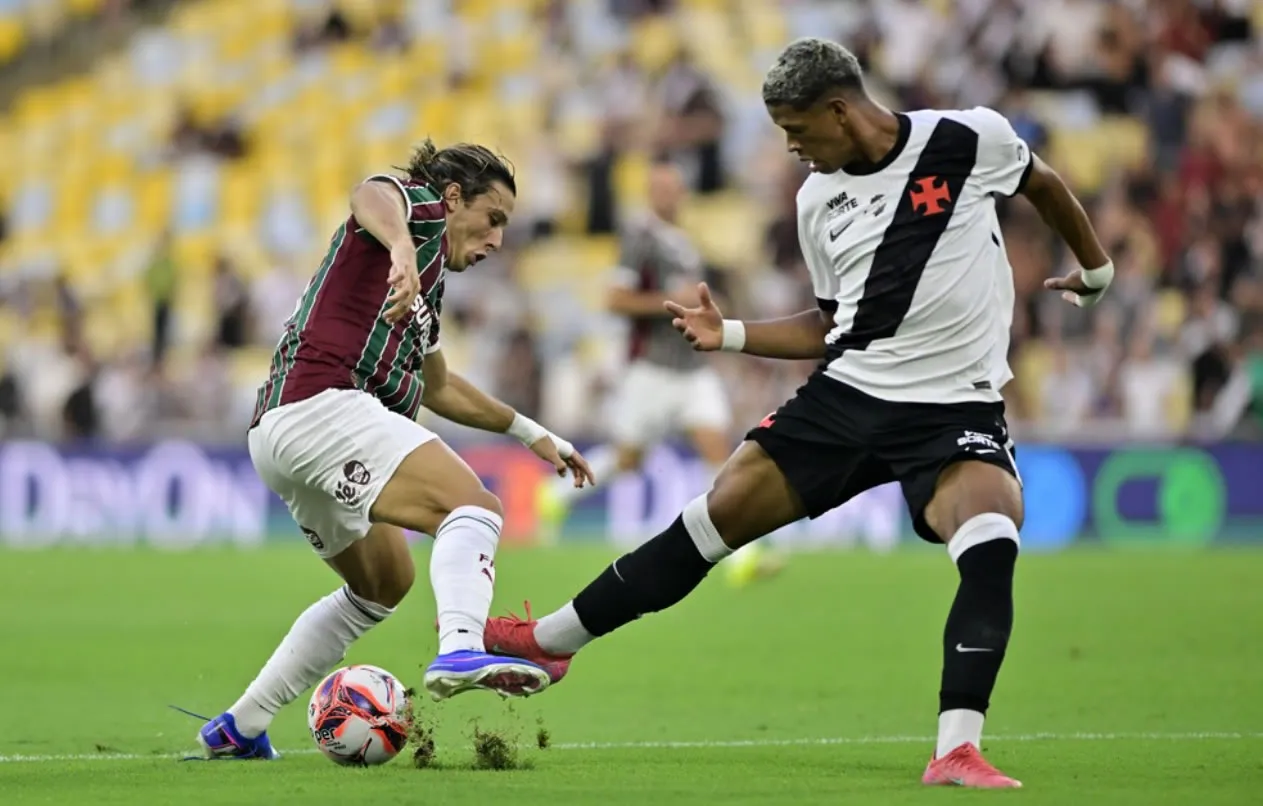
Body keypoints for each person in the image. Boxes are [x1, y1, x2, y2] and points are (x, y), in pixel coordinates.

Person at [481, 38, 1115, 789]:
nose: (790, 146)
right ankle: (552, 640)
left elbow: (1043, 183)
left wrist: (1095, 267)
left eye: (796, 128)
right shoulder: (817, 201)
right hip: (847, 398)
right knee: (712, 519)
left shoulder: (968, 139)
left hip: (954, 409)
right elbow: (831, 324)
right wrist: (731, 334)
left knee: (991, 536)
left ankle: (956, 748)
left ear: (839, 111)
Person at [193, 140, 595, 760]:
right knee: (475, 509)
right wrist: (403, 245)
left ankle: (239, 728)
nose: (497, 241)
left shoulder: (426, 292)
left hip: (282, 433)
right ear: (455, 198)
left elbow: (441, 388)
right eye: (493, 219)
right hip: (323, 405)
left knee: (383, 584)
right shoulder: (418, 214)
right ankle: (460, 649)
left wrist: (531, 432)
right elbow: (370, 193)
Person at [538, 160, 775, 574]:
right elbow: (615, 299)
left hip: (693, 370)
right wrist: (671, 302)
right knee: (628, 459)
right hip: (652, 368)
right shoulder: (640, 238)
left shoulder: (684, 241)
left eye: (675, 187)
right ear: (650, 193)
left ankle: (741, 558)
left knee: (717, 450)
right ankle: (556, 496)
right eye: (661, 188)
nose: (670, 195)